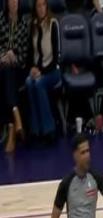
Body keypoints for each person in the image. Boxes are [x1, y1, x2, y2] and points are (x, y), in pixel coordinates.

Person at [25, 0, 60, 142]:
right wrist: (32, 68)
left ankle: (49, 130)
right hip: (37, 70)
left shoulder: (53, 24)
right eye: (38, 6)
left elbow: (56, 57)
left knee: (39, 83)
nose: (41, 8)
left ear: (47, 6)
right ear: (35, 8)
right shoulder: (32, 25)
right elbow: (30, 54)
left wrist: (42, 71)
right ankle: (35, 129)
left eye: (43, 5)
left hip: (53, 71)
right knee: (29, 82)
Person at [0, 0, 30, 153]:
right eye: (11, 0)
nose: (14, 3)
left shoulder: (24, 24)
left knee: (7, 75)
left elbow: (24, 56)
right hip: (2, 65)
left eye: (16, 0)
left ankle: (12, 125)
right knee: (5, 73)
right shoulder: (0, 20)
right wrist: (3, 56)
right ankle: (15, 119)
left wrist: (14, 57)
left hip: (18, 70)